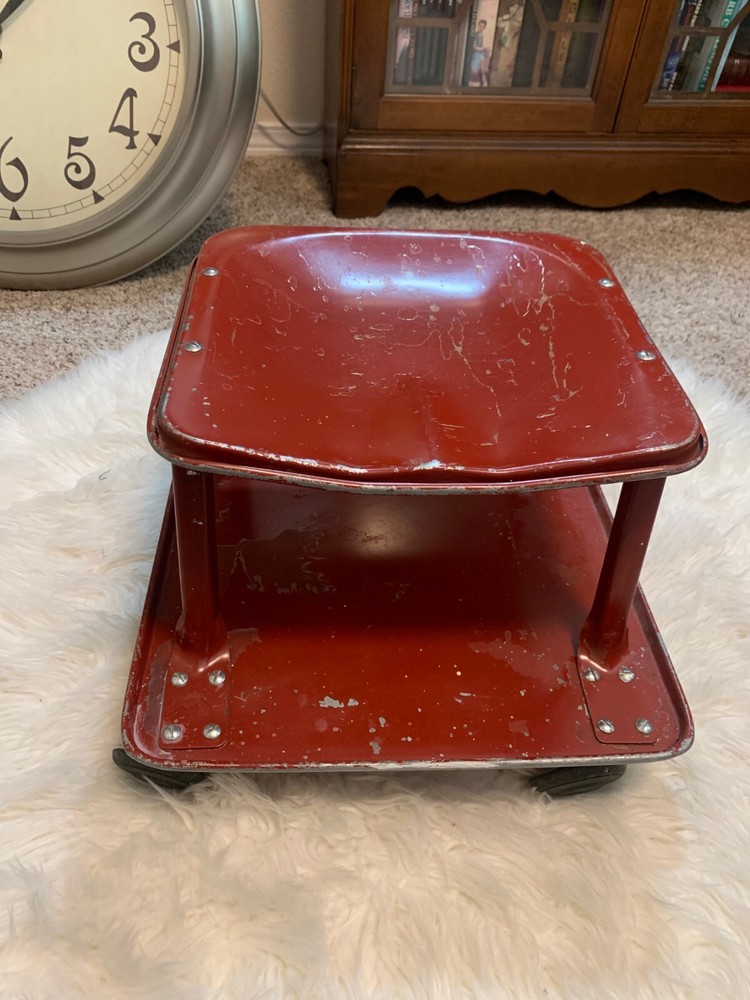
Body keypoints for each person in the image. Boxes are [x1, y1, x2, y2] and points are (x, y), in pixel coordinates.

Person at [469, 19, 490, 86]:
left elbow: (480, 46)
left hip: (480, 53)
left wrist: (485, 49)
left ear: (485, 27)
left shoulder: (481, 34)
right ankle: (483, 78)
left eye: (483, 26)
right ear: (478, 26)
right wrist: (483, 48)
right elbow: (474, 47)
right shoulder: (475, 34)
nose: (481, 27)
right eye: (480, 26)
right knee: (481, 58)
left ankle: (484, 78)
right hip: (475, 53)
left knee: (486, 57)